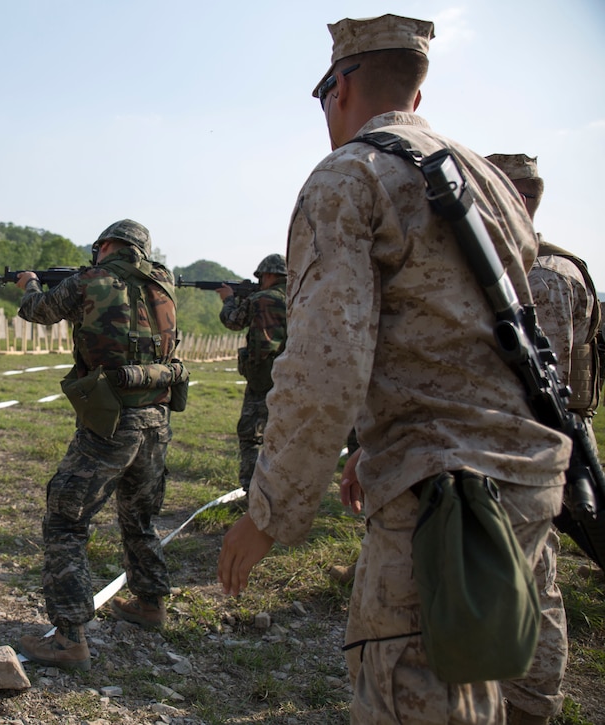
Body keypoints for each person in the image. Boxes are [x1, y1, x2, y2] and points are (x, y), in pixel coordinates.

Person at [216, 14, 570, 724]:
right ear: (417, 93)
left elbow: (325, 363)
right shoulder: (482, 178)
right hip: (527, 480)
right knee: (502, 694)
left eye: (322, 95)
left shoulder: (348, 177)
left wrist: (270, 511)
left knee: (415, 698)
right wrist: (375, 448)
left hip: (442, 504)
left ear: (340, 86)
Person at [15, 219, 181, 671]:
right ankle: (150, 604)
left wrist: (29, 283)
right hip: (156, 421)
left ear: (106, 245)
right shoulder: (164, 283)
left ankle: (69, 638)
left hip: (110, 423)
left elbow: (39, 311)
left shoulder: (89, 280)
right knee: (139, 517)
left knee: (66, 520)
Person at [487, 152, 602, 724]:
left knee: (532, 575)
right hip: (518, 445)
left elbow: (539, 388)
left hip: (533, 447)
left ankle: (530, 707)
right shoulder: (520, 264)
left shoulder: (543, 276)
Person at [217, 254, 287, 493]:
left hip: (262, 376)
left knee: (251, 434)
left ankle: (251, 490)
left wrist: (228, 300)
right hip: (294, 377)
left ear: (268, 275)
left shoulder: (261, 298)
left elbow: (233, 321)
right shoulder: (300, 298)